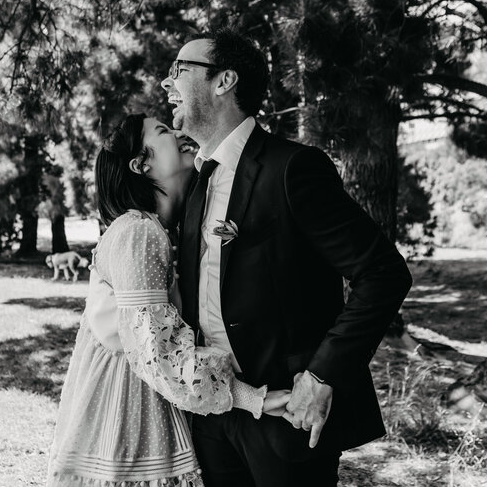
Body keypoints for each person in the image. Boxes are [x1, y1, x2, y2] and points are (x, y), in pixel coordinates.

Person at [161, 29, 413, 487]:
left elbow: (383, 272)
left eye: (179, 70)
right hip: (215, 411)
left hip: (286, 415)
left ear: (224, 81)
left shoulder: (293, 168)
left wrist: (322, 375)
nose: (168, 83)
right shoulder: (197, 181)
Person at [46, 114, 291, 487]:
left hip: (152, 401)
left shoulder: (153, 229)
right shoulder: (139, 233)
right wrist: (252, 398)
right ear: (142, 164)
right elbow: (157, 353)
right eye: (162, 131)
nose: (178, 133)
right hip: (129, 412)